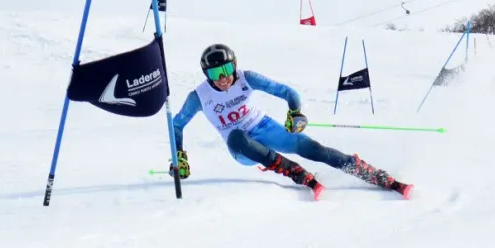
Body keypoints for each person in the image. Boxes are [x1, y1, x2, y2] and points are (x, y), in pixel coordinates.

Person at [168, 44, 413, 201]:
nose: (223, 78)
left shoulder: (246, 78)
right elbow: (177, 125)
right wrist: (179, 155)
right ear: (206, 75)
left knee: (313, 149)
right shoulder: (199, 97)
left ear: (235, 65)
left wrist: (295, 112)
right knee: (236, 136)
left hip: (264, 126)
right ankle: (296, 173)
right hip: (241, 147)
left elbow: (287, 92)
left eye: (226, 69)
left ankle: (377, 176)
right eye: (214, 74)